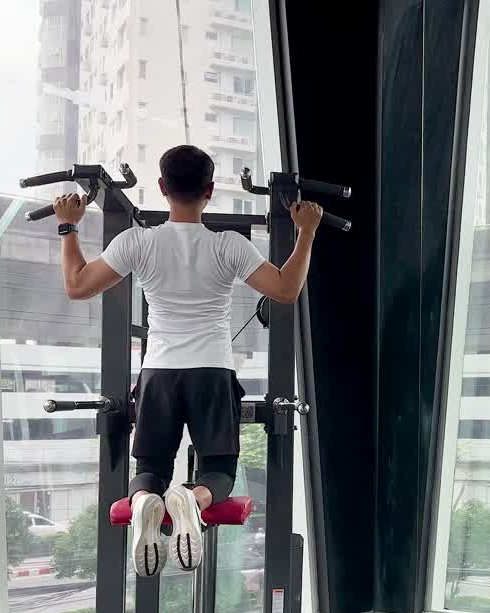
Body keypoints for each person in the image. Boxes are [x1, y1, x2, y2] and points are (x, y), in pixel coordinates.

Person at [52, 144, 324, 577]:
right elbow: (286, 289)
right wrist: (306, 230)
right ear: (210, 191)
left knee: (151, 468)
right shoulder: (229, 246)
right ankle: (191, 500)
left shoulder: (136, 242)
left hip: (159, 372)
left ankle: (145, 502)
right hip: (212, 371)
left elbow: (78, 285)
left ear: (162, 188)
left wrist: (69, 226)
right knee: (217, 470)